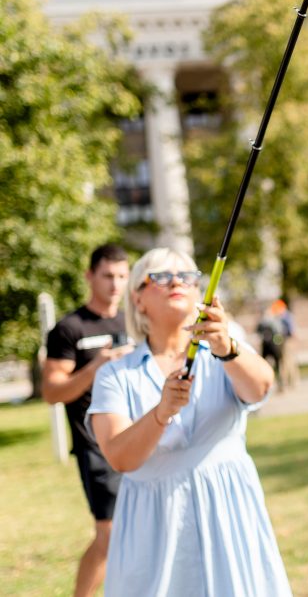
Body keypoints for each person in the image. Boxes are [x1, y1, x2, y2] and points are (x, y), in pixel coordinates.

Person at [86, 247, 291, 596]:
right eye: (162, 276)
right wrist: (161, 412)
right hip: (154, 525)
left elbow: (260, 388)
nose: (177, 282)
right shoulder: (115, 374)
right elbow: (121, 457)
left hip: (228, 511)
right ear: (138, 299)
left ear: (201, 291)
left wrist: (227, 347)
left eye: (187, 276)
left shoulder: (227, 346)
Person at [41, 243, 134, 597]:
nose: (116, 284)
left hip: (137, 436)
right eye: (108, 276)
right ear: (90, 276)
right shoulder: (70, 328)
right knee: (110, 537)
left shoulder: (134, 321)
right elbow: (52, 392)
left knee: (142, 530)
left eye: (123, 276)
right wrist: (95, 368)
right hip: (95, 445)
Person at [257, 298, 298, 392]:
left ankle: (289, 382)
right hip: (275, 344)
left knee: (286, 362)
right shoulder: (273, 319)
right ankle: (282, 382)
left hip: (281, 342)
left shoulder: (284, 317)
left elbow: (287, 330)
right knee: (281, 363)